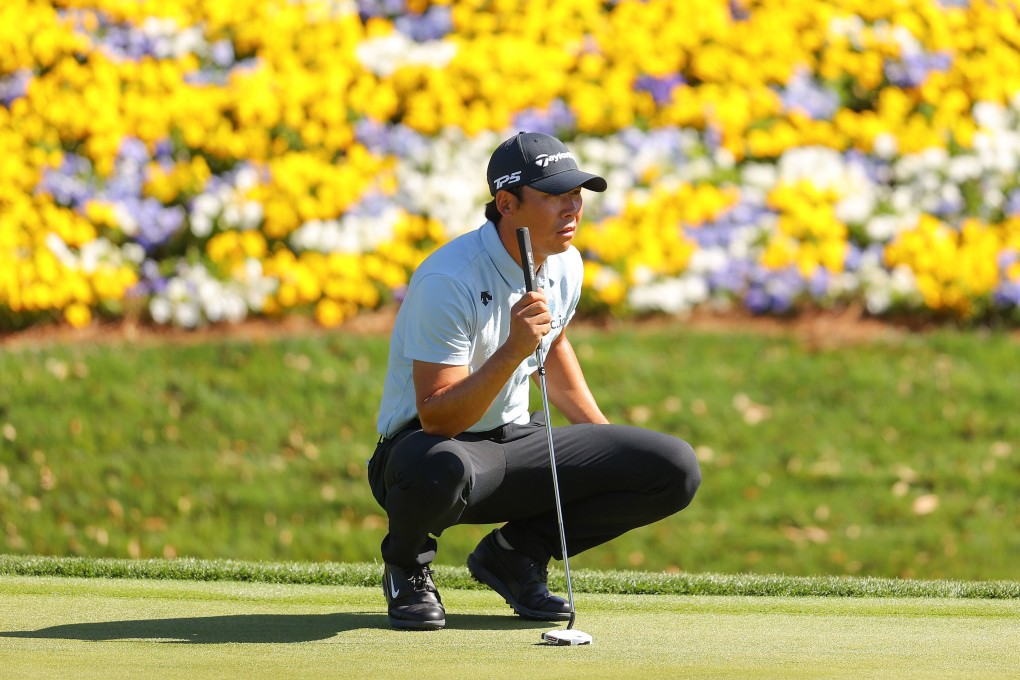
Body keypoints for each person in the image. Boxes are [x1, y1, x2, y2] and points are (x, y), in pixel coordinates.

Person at [368, 131, 701, 630]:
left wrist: (608, 445)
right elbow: (437, 415)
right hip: (427, 453)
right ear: (507, 203)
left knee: (670, 467)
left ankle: (516, 553)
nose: (572, 207)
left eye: (576, 194)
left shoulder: (565, 263)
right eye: (553, 196)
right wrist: (513, 350)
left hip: (515, 445)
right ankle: (407, 566)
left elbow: (556, 345)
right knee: (438, 468)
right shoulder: (449, 280)